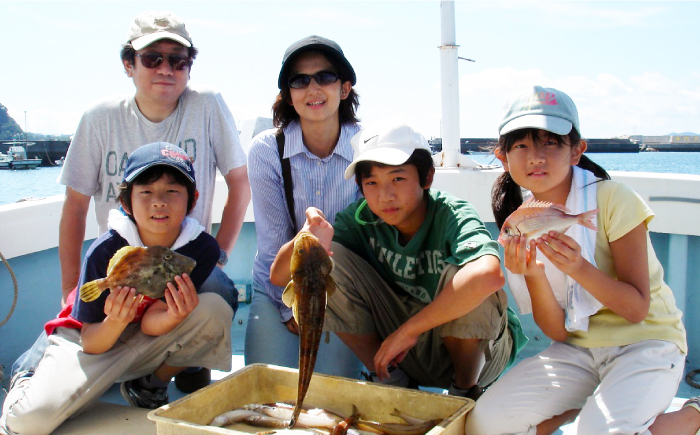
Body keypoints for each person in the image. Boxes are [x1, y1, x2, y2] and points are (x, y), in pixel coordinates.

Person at [12, 10, 250, 393]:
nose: (166, 69)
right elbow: (74, 207)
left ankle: (167, 371)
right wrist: (71, 286)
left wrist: (217, 255)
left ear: (189, 67)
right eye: (152, 59)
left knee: (220, 290)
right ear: (129, 64)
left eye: (178, 60)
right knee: (75, 324)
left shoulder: (207, 105)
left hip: (177, 260)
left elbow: (239, 182)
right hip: (118, 262)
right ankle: (29, 372)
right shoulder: (99, 118)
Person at [465, 86, 699, 435]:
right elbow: (558, 331)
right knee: (483, 425)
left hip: (647, 340)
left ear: (577, 151)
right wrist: (533, 274)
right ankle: (576, 411)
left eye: (551, 142)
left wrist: (578, 267)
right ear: (503, 157)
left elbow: (636, 310)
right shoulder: (521, 220)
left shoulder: (614, 200)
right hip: (581, 348)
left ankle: (693, 414)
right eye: (521, 145)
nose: (536, 157)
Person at [270, 122, 523, 400]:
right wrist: (304, 239)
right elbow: (279, 277)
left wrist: (408, 331)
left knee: (471, 274)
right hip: (402, 354)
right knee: (331, 261)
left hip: (479, 358)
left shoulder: (452, 214)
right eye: (371, 183)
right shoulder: (360, 219)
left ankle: (463, 392)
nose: (385, 195)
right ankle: (393, 380)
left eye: (398, 179)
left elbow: (490, 275)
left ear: (427, 177)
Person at [0, 142, 233, 435]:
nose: (158, 201)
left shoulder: (201, 248)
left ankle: (147, 384)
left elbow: (152, 323)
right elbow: (91, 341)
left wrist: (174, 315)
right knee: (30, 423)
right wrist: (116, 320)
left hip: (140, 334)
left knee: (214, 309)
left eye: (172, 191)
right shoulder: (105, 251)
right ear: (126, 202)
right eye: (145, 192)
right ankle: (28, 376)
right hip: (91, 336)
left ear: (192, 199)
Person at [244, 35, 364, 378]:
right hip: (277, 288)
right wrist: (290, 311)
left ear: (344, 89)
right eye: (299, 81)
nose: (313, 88)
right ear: (288, 95)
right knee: (264, 386)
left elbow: (362, 243)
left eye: (325, 77)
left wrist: (325, 306)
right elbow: (271, 246)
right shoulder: (266, 150)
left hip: (342, 289)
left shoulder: (366, 147)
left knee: (333, 394)